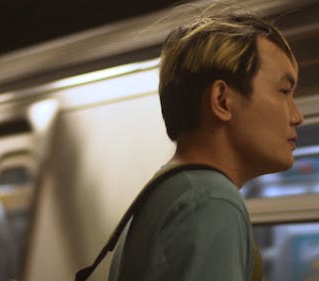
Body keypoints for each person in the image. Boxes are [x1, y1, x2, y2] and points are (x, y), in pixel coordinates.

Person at [108, 9, 303, 281]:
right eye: (284, 92)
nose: (297, 116)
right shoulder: (211, 201)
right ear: (222, 100)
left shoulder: (170, 190)